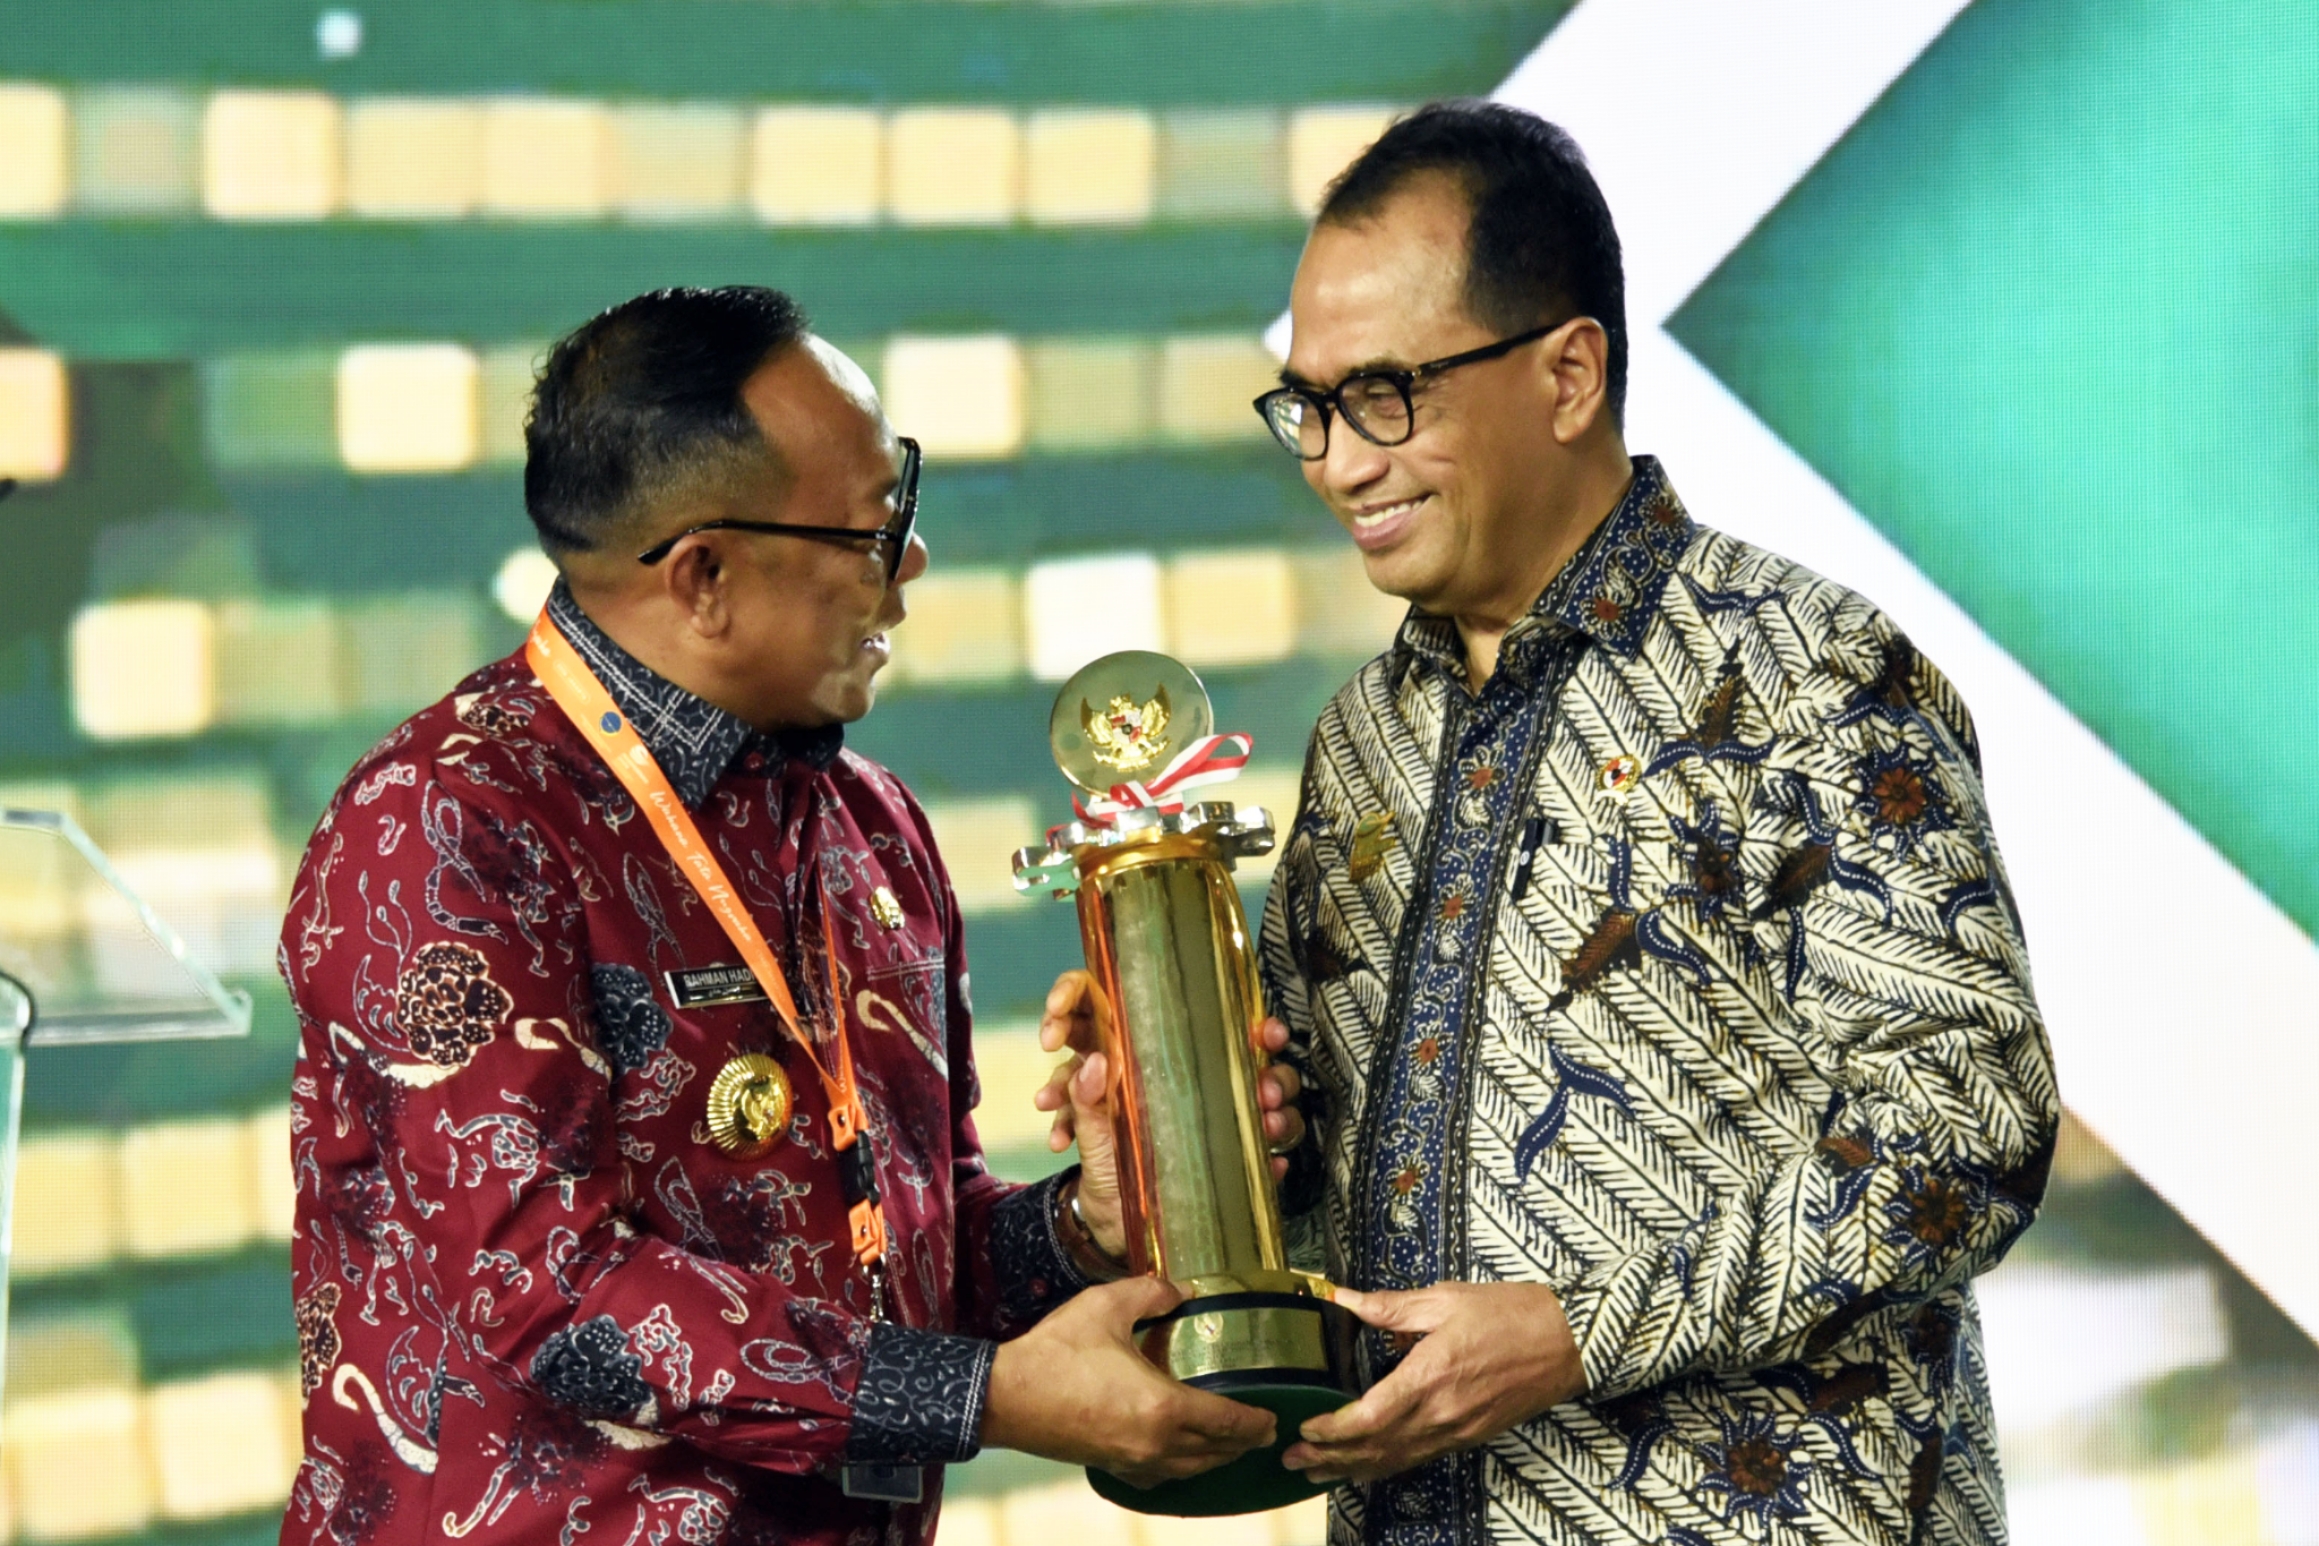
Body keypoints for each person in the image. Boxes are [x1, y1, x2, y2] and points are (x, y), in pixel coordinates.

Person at [276, 285, 1283, 1546]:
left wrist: (1090, 1221)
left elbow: (910, 1258)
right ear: (705, 576)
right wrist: (990, 1396)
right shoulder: (447, 822)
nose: (909, 564)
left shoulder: (873, 825)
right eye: (873, 527)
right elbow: (546, 1288)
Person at [1246, 102, 2059, 1545]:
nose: (1338, 462)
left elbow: (1968, 1130)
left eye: (1382, 394)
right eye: (1307, 405)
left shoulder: (1806, 669)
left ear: (1567, 374)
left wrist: (1578, 1329)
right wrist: (1190, 1119)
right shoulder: (1362, 741)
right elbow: (1321, 1193)